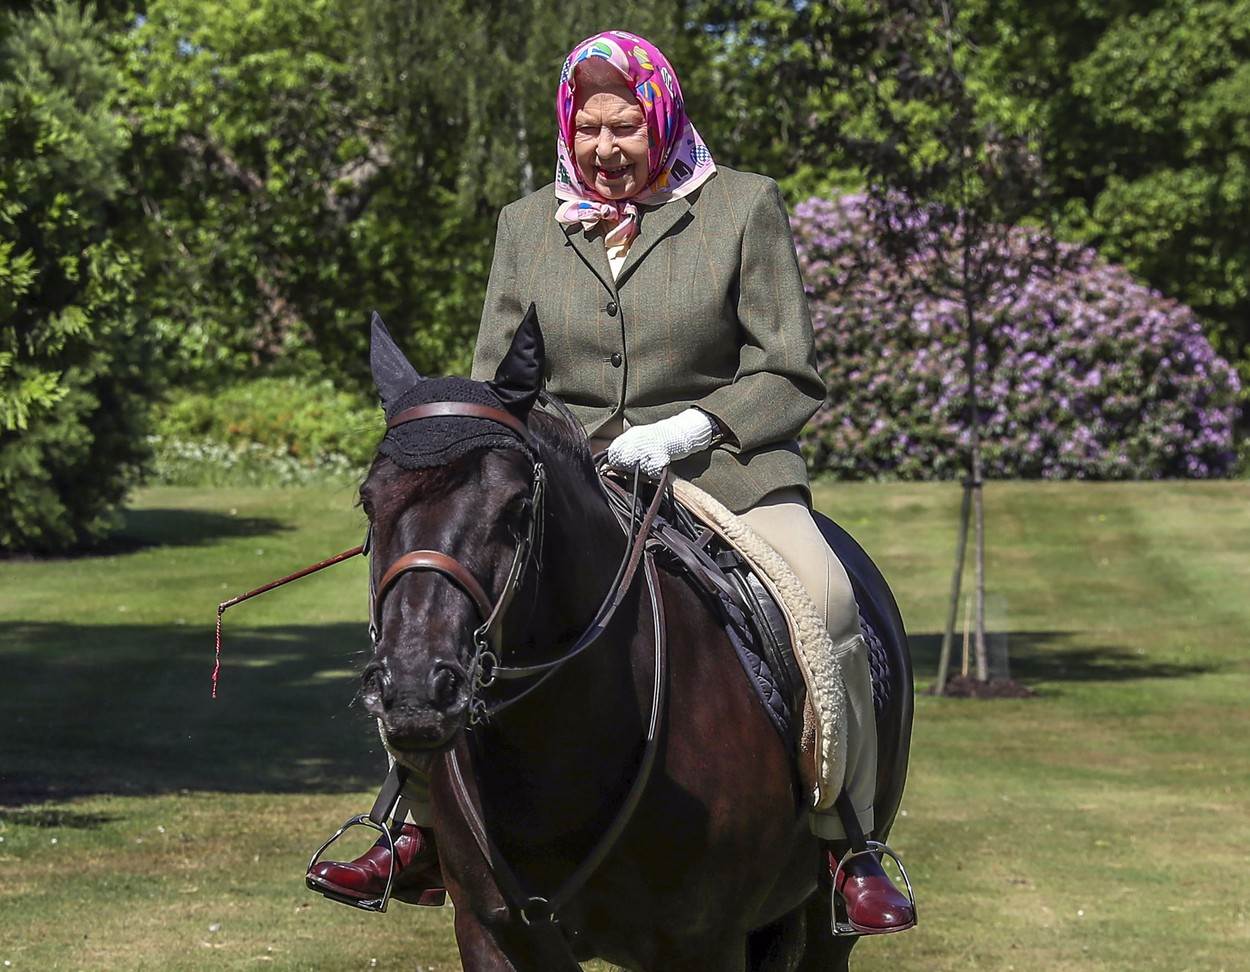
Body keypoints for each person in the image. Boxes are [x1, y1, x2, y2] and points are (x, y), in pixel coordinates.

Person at [308, 29, 915, 936]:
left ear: (661, 116)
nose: (604, 149)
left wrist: (690, 429)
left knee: (825, 598)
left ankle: (846, 841)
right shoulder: (526, 225)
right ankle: (418, 824)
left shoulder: (743, 207)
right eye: (588, 129)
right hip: (567, 479)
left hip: (725, 470)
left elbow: (788, 372)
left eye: (625, 127)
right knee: (453, 608)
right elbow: (495, 384)